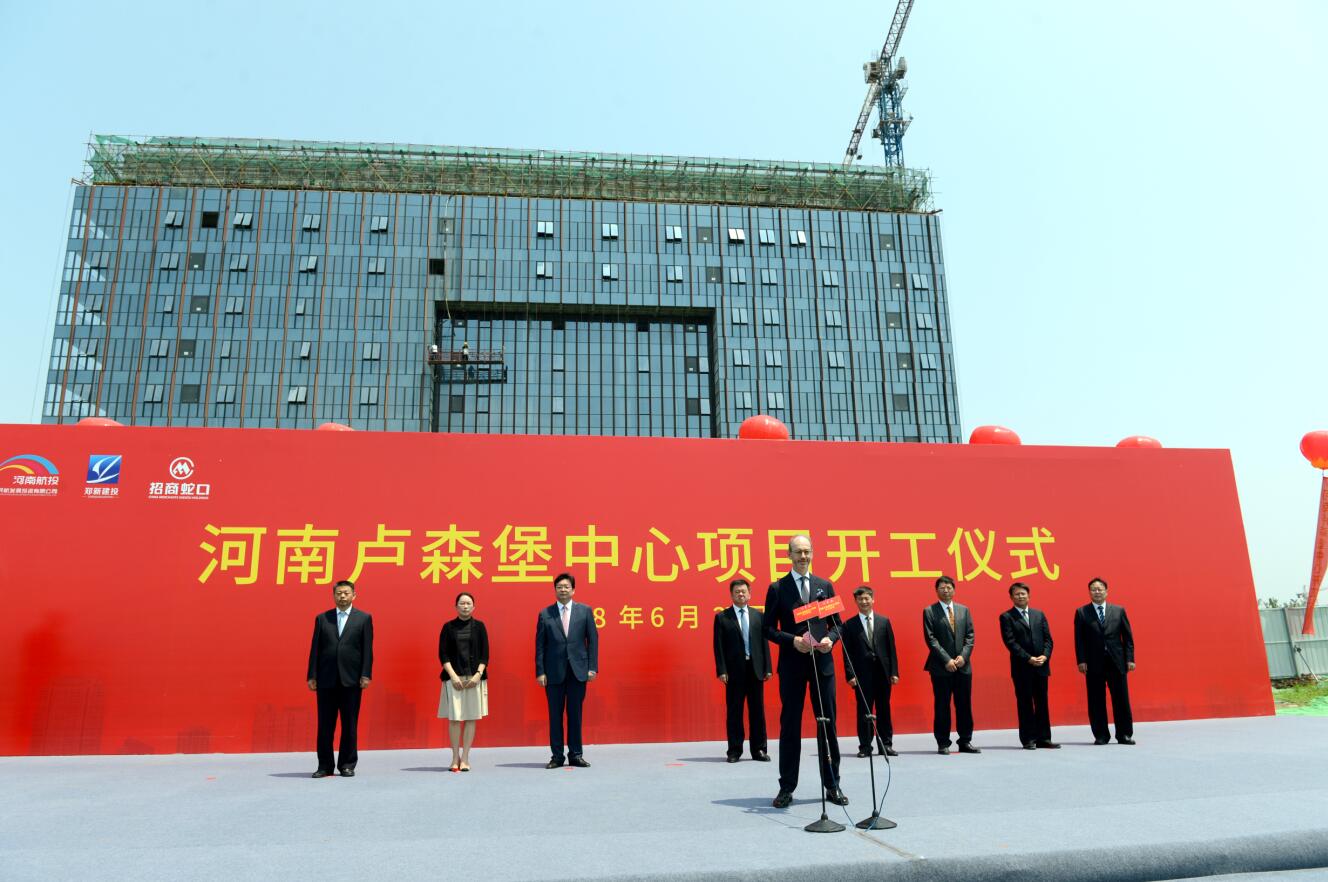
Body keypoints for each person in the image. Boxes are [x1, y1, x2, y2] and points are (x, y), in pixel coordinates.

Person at [763, 534, 847, 808]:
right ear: (788, 555)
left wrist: (830, 640)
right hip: (792, 665)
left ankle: (833, 785)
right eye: (798, 552)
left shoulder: (825, 586)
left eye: (807, 552)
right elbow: (768, 629)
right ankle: (786, 787)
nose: (803, 557)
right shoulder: (778, 588)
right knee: (790, 725)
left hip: (822, 664)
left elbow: (838, 624)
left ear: (812, 554)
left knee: (827, 724)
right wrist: (793, 641)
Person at [306, 580, 373, 778]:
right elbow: (315, 649)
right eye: (338, 593)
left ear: (354, 595)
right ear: (334, 595)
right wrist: (312, 675)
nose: (342, 596)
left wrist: (366, 674)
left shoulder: (363, 618)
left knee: (349, 724)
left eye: (346, 593)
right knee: (325, 725)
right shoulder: (322, 618)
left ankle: (347, 764)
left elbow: (367, 649)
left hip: (351, 679)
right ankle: (325, 765)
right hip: (326, 680)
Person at [535, 572, 598, 768]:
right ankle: (557, 756)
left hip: (578, 671)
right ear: (555, 590)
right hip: (553, 673)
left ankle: (576, 754)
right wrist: (540, 671)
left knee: (575, 715)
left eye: (566, 587)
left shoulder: (585, 611)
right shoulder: (545, 613)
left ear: (573, 590)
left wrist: (592, 668)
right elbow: (540, 645)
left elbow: (593, 641)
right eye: (559, 587)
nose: (563, 590)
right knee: (555, 716)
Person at [712, 578, 772, 763]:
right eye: (737, 592)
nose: (740, 594)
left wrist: (768, 668)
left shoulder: (758, 616)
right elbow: (718, 646)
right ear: (731, 595)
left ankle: (759, 749)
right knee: (734, 712)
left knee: (757, 711)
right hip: (734, 672)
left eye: (743, 591)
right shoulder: (722, 617)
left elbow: (764, 644)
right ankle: (734, 751)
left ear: (749, 594)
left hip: (755, 669)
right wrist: (721, 670)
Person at [1074, 577, 1136, 745]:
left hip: (1117, 661)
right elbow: (1079, 640)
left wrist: (1130, 658)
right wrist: (1081, 660)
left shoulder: (1118, 610)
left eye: (1100, 589)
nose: (1097, 592)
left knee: (1121, 700)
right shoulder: (1082, 612)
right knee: (1096, 700)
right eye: (1093, 589)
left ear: (1106, 591)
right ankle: (1101, 735)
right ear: (1089, 592)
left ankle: (1124, 734)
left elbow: (1128, 638)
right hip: (1093, 663)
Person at [922, 575, 980, 755]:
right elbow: (931, 639)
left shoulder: (964, 610)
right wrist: (946, 660)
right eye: (942, 588)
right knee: (942, 706)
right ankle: (943, 742)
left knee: (964, 705)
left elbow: (970, 636)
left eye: (949, 587)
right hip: (941, 667)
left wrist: (963, 656)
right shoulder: (929, 611)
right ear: (936, 591)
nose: (946, 591)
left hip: (963, 666)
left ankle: (965, 741)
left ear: (954, 590)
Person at [998, 582, 1059, 750]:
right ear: (1011, 597)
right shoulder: (1006, 617)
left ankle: (1044, 738)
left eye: (1023, 593)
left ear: (1029, 595)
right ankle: (1028, 739)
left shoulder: (1039, 614)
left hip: (1041, 666)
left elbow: (1048, 640)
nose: (1021, 596)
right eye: (1017, 594)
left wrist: (1045, 656)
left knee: (1042, 703)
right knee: (1025, 703)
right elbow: (1010, 643)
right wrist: (1029, 658)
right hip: (1022, 668)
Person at [840, 585, 900, 758]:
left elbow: (891, 649)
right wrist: (850, 675)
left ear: (873, 600)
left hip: (883, 673)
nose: (864, 602)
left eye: (867, 598)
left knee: (884, 709)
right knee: (864, 711)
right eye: (860, 599)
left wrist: (894, 672)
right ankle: (865, 746)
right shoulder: (849, 625)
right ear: (855, 601)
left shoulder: (884, 621)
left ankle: (886, 745)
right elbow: (847, 652)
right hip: (862, 676)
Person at [439, 591, 490, 772]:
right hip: (454, 678)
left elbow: (485, 654)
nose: (465, 606)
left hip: (474, 678)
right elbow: (443, 654)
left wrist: (478, 674)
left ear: (474, 607)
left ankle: (466, 757)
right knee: (454, 719)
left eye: (468, 603)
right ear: (456, 606)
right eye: (462, 603)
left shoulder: (480, 627)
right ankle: (455, 757)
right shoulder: (448, 627)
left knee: (470, 718)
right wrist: (453, 676)